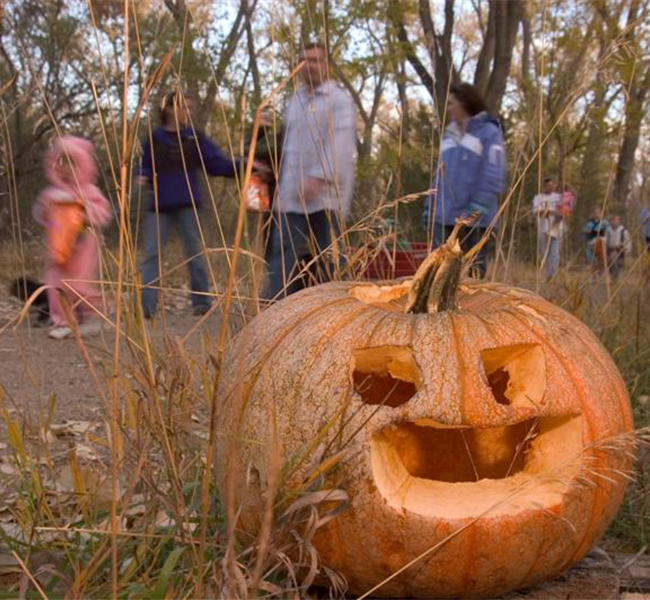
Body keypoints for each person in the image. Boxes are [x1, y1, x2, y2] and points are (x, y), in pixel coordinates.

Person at [263, 42, 357, 300]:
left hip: (326, 195)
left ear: (326, 64)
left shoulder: (339, 100)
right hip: (292, 193)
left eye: (316, 60)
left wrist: (319, 176)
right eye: (304, 60)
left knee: (330, 255)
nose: (310, 66)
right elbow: (289, 145)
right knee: (283, 250)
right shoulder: (294, 101)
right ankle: (276, 309)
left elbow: (340, 143)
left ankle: (337, 310)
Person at [139, 89, 240, 318]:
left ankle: (201, 303)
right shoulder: (154, 139)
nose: (187, 112)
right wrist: (141, 175)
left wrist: (244, 164)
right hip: (159, 206)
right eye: (183, 107)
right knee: (152, 255)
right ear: (168, 108)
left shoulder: (195, 138)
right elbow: (142, 165)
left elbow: (217, 165)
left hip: (188, 205)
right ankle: (146, 307)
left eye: (189, 108)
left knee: (195, 253)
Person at [423, 83, 506, 279]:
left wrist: (477, 208)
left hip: (474, 219)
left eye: (451, 103)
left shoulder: (488, 132)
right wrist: (430, 206)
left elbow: (493, 174)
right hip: (444, 217)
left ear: (465, 103)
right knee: (438, 272)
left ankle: (474, 309)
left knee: (475, 273)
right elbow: (439, 174)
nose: (448, 108)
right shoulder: (448, 136)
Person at [33, 136, 112, 339]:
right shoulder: (52, 193)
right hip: (58, 248)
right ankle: (63, 321)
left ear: (82, 164)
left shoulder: (90, 192)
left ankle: (94, 315)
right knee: (55, 283)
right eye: (61, 161)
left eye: (71, 161)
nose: (65, 166)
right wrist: (48, 212)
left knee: (78, 284)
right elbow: (41, 215)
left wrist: (84, 210)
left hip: (83, 248)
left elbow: (103, 213)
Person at [532, 177, 563, 279]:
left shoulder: (558, 197)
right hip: (543, 228)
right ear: (543, 186)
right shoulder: (538, 198)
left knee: (555, 254)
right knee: (544, 252)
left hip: (556, 228)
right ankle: (545, 274)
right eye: (547, 185)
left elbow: (565, 210)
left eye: (551, 185)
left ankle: (551, 275)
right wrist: (551, 212)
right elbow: (537, 212)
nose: (549, 187)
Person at [605, 215, 632, 280]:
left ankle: (615, 279)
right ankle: (613, 278)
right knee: (611, 265)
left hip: (620, 251)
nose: (615, 222)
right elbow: (605, 240)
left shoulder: (623, 231)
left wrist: (626, 249)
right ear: (611, 221)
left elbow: (628, 240)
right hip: (610, 250)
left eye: (616, 220)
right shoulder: (608, 230)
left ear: (619, 221)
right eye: (613, 220)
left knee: (618, 265)